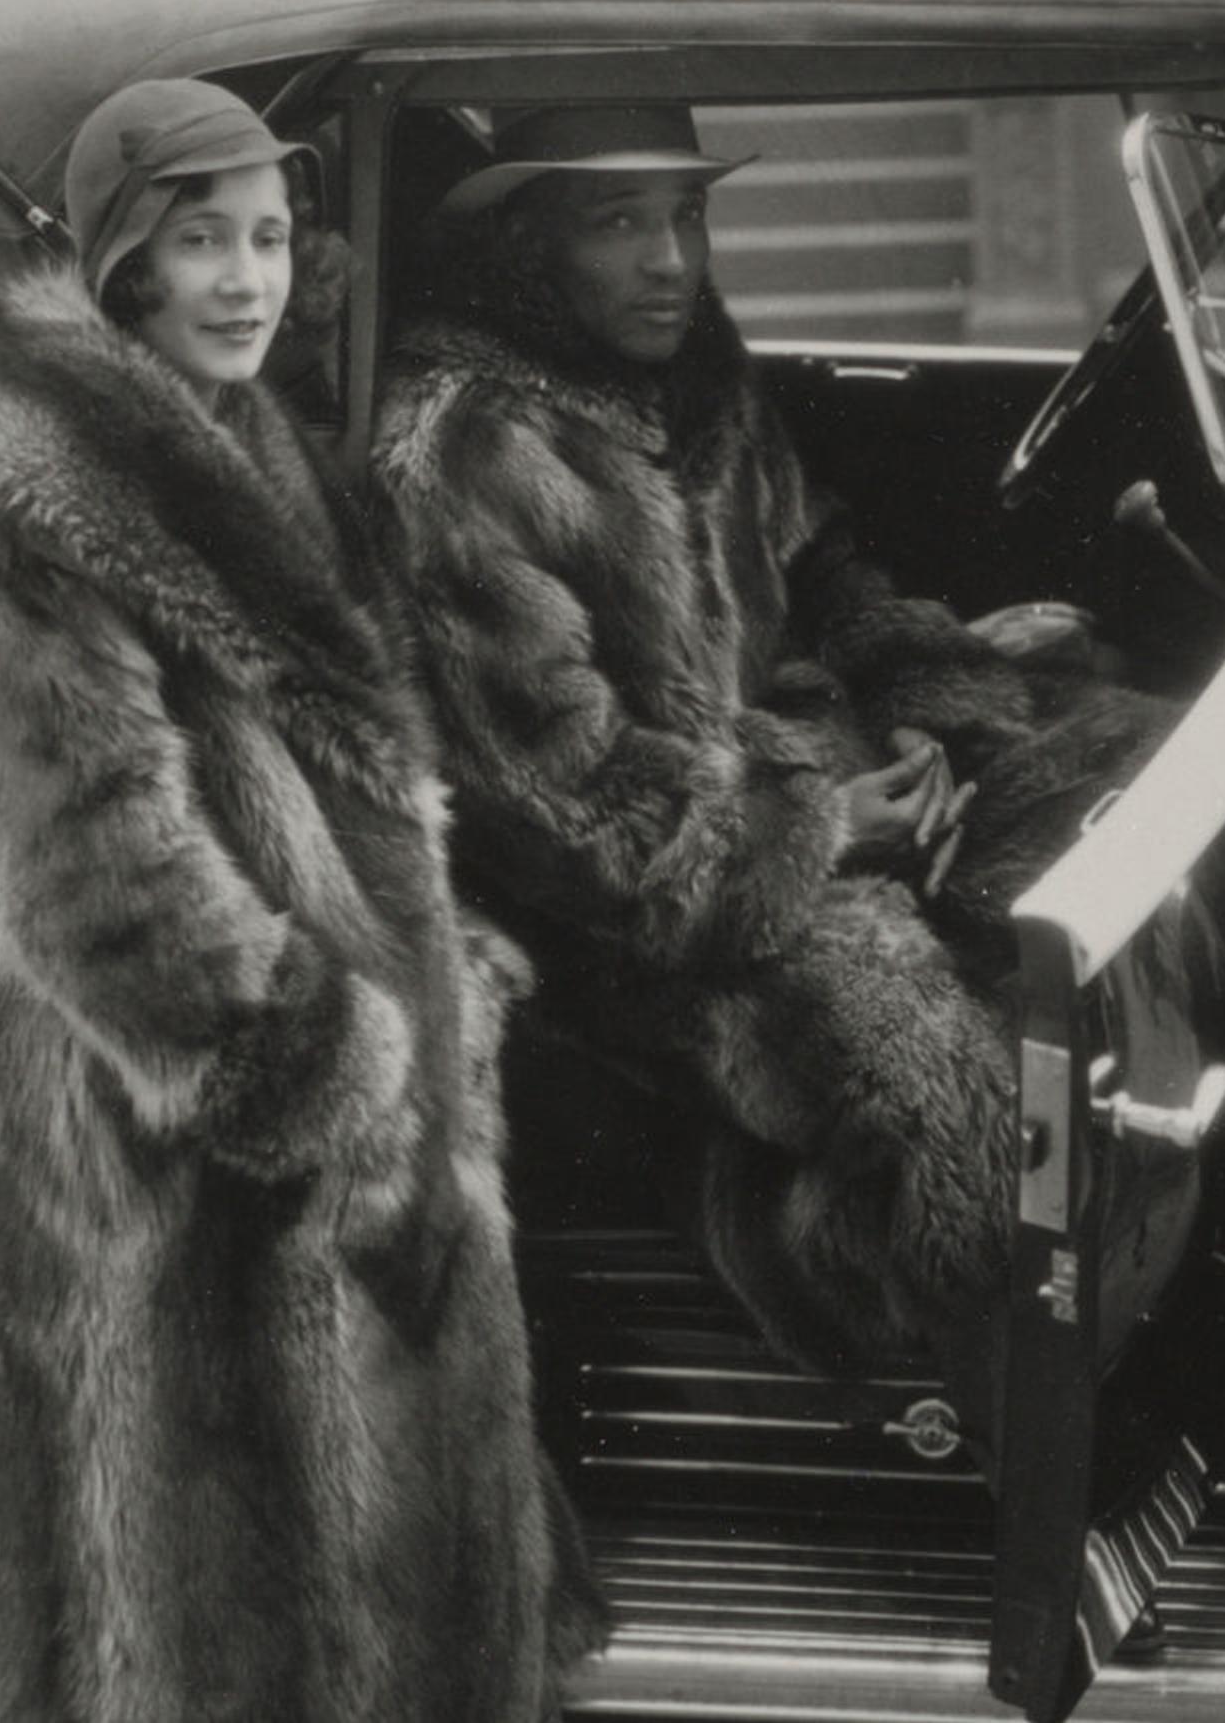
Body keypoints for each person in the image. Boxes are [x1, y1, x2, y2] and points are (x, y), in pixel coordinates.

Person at [0, 77, 592, 1722]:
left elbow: (325, 775)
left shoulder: (251, 445)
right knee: (200, 1639)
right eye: (200, 239)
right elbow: (85, 878)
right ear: (126, 262)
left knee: (362, 1611)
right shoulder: (29, 505)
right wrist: (336, 1078)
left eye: (271, 238)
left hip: (315, 1149)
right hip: (163, 1179)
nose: (244, 277)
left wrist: (437, 973)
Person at [365, 102, 1102, 1376]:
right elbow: (558, 805)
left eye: (687, 213)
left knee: (1113, 800)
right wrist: (821, 824)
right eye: (619, 221)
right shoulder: (463, 443)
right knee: (971, 1123)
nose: (672, 260)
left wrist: (936, 728)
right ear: (527, 243)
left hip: (804, 795)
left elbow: (827, 576)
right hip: (635, 923)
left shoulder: (698, 374)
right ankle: (876, 1359)